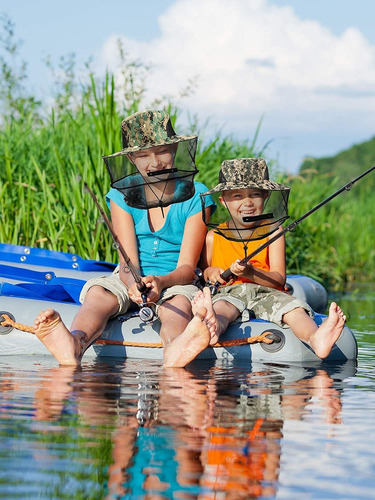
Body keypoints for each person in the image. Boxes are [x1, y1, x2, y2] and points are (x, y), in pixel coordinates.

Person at [33, 110, 215, 367]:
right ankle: (75, 341)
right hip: (131, 276)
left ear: (175, 149)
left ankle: (175, 349)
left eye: (162, 151)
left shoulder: (198, 195)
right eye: (143, 155)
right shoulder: (120, 195)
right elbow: (127, 259)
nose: (155, 163)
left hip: (176, 280)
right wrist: (135, 284)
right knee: (98, 294)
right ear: (131, 158)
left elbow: (187, 267)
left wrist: (161, 282)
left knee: (178, 308)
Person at [191, 157, 346, 359]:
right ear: (223, 201)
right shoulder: (213, 237)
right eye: (237, 195)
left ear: (265, 197)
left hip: (267, 292)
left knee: (294, 309)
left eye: (254, 194)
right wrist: (211, 272)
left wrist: (251, 272)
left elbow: (278, 279)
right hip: (229, 293)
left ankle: (316, 338)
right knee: (221, 308)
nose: (247, 202)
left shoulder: (274, 231)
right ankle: (212, 328)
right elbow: (204, 272)